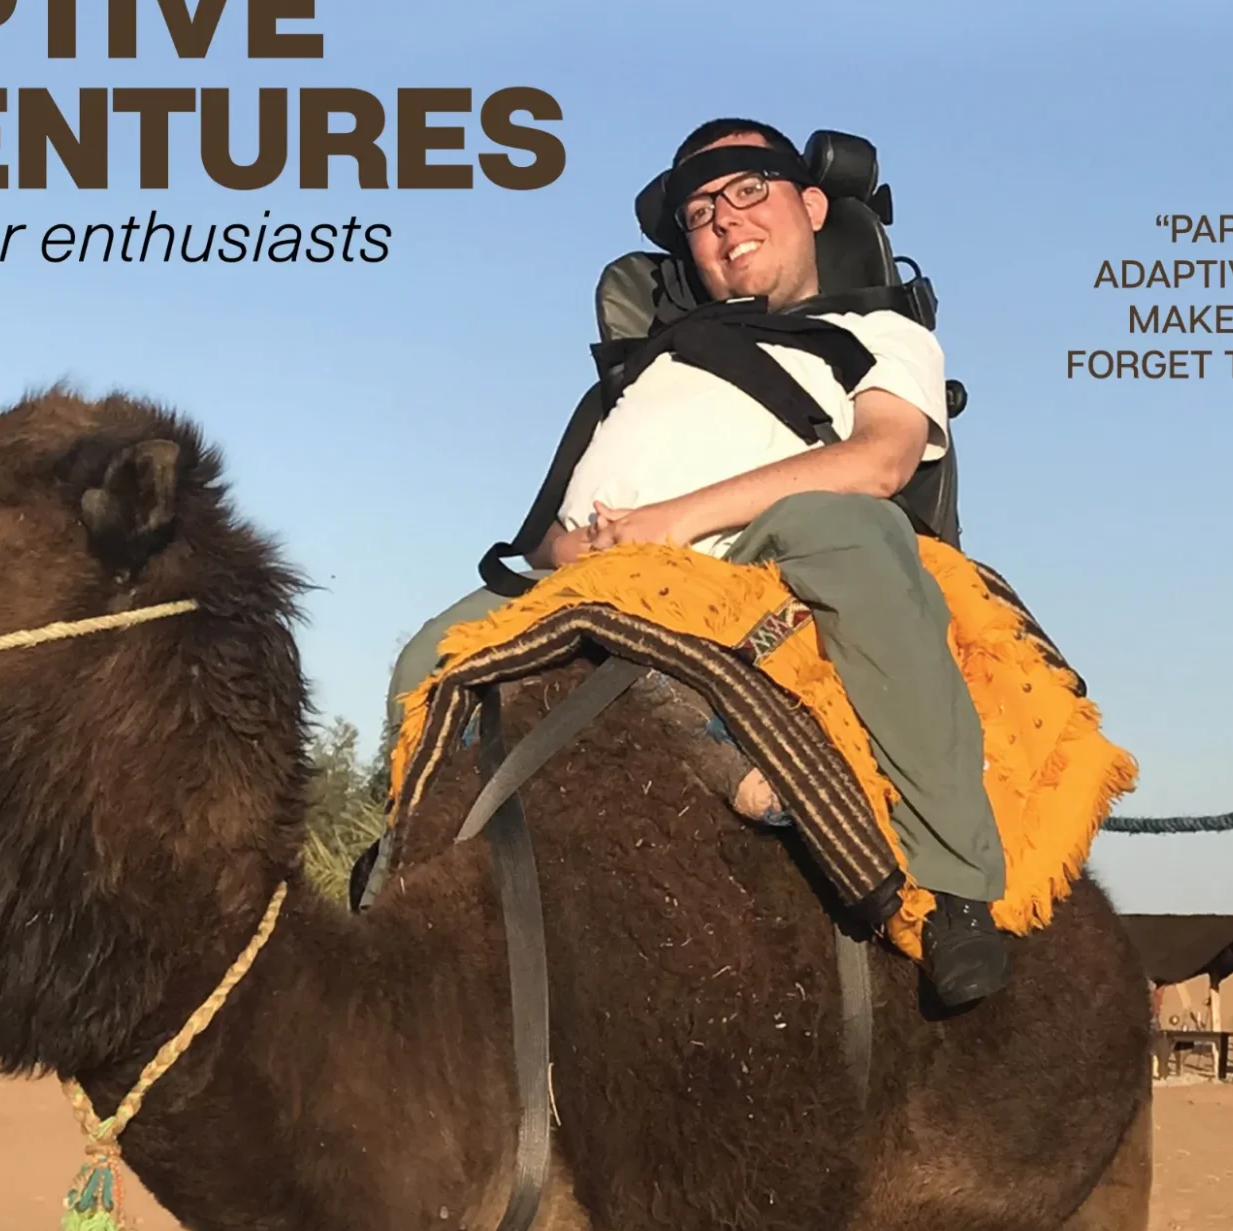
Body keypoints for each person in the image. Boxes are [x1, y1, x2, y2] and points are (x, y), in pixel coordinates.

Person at [389, 119, 1010, 1007]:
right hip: (599, 568)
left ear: (812, 204)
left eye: (749, 189)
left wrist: (670, 525)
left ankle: (955, 887)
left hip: (746, 550)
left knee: (852, 532)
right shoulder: (650, 364)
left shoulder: (878, 330)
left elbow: (880, 460)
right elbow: (544, 536)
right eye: (701, 211)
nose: (724, 219)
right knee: (425, 659)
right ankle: (411, 892)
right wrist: (593, 546)